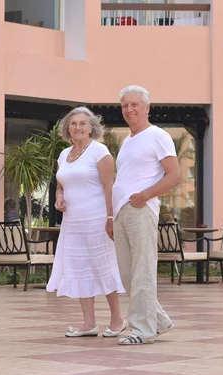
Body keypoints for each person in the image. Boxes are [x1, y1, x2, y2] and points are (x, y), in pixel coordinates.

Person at [46, 106, 126, 338]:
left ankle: (117, 320)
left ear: (91, 127)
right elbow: (61, 185)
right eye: (73, 123)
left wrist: (110, 218)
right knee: (80, 268)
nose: (78, 127)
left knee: (104, 268)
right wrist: (59, 198)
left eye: (83, 123)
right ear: (67, 128)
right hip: (72, 223)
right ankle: (89, 323)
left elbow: (109, 187)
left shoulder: (99, 152)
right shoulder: (64, 154)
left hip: (97, 219)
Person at [112, 85, 181, 345]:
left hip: (141, 209)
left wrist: (145, 195)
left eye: (134, 105)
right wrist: (112, 217)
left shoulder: (158, 136)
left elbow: (173, 175)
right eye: (125, 106)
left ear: (146, 107)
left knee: (142, 271)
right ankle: (159, 320)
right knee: (127, 273)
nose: (129, 110)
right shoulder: (128, 141)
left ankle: (142, 330)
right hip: (122, 211)